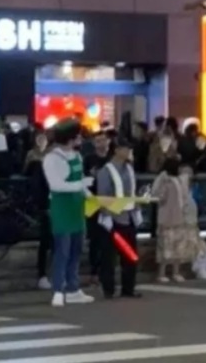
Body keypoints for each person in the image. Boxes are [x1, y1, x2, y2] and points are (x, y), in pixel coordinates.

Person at [42, 119, 94, 307]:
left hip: (77, 207)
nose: (80, 139)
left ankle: (73, 288)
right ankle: (58, 289)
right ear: (70, 138)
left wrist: (91, 196)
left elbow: (80, 180)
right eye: (78, 136)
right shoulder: (52, 158)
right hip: (61, 208)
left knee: (76, 250)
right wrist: (81, 185)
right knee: (62, 251)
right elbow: (56, 185)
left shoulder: (77, 156)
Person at [94, 138, 142, 298]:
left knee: (130, 255)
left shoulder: (129, 169)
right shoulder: (106, 171)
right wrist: (106, 215)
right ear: (116, 150)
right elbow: (103, 196)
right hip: (112, 220)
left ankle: (128, 288)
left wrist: (136, 210)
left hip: (128, 217)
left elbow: (132, 192)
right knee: (109, 256)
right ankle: (108, 289)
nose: (128, 152)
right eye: (125, 149)